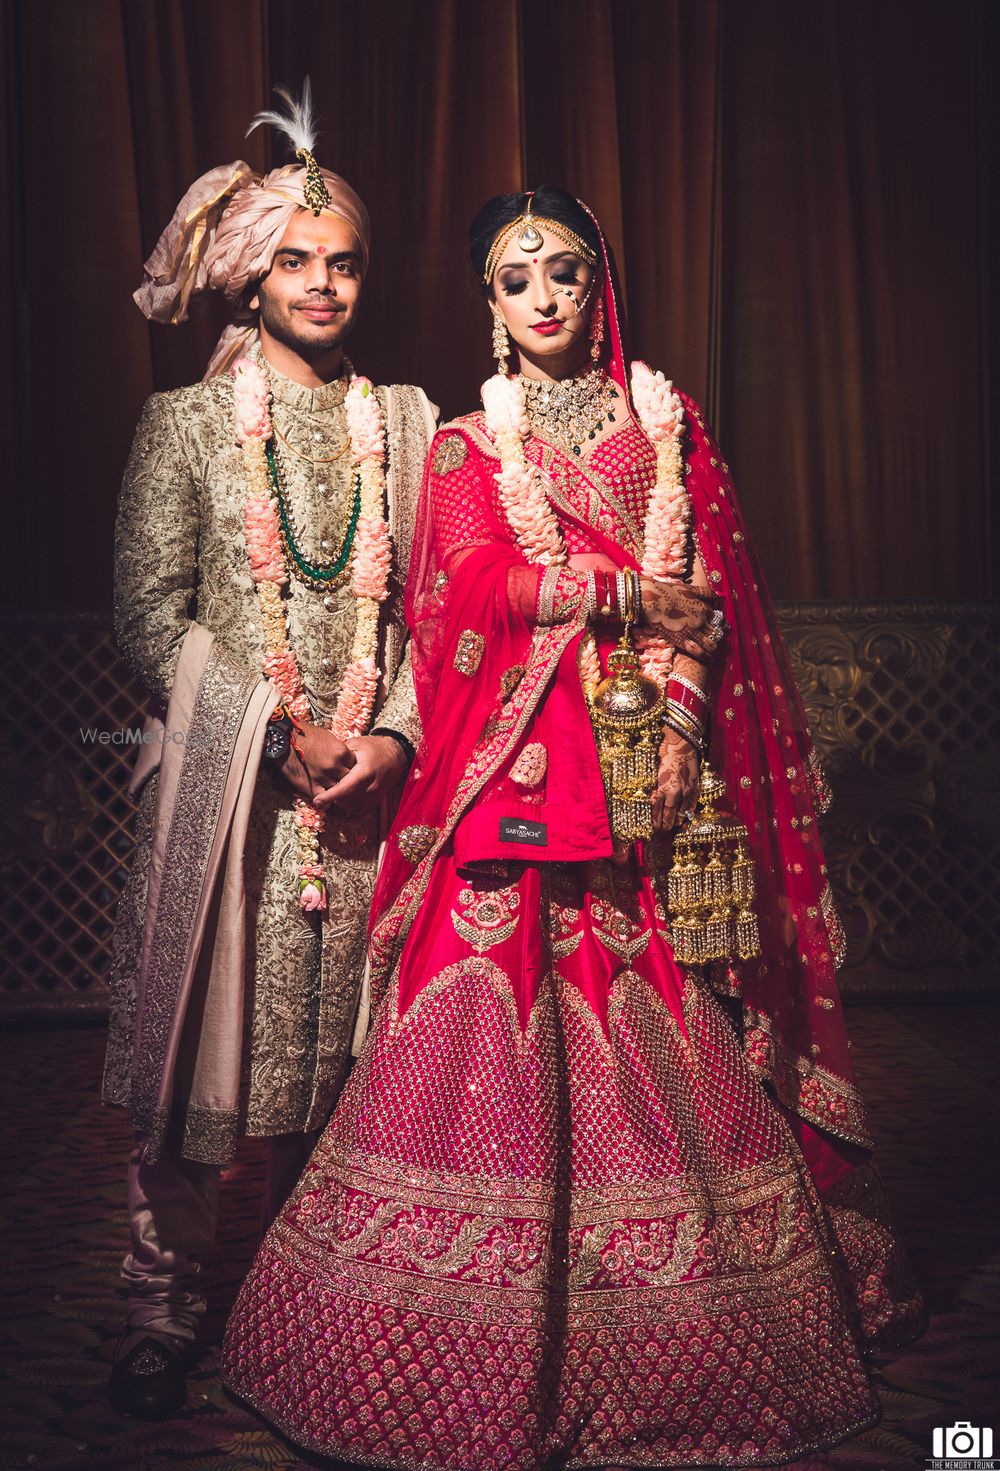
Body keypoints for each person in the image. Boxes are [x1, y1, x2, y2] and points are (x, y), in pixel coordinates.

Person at [221, 187, 922, 1468]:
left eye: (563, 273)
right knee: (482, 1019)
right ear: (487, 308)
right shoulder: (460, 446)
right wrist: (612, 586)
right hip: (512, 789)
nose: (543, 298)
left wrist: (671, 732)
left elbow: (706, 605)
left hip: (641, 780)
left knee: (662, 1024)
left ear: (600, 285)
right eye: (514, 280)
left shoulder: (670, 425)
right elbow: (458, 595)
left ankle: (680, 1338)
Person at [103, 83, 436, 1420]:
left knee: (352, 1069)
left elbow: (431, 609)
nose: (326, 283)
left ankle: (320, 1305)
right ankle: (160, 1308)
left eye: (345, 259)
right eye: (296, 259)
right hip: (228, 798)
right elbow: (148, 609)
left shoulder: (408, 424)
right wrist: (279, 722)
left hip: (366, 797)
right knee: (199, 1065)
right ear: (245, 276)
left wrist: (395, 730)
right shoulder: (182, 427)